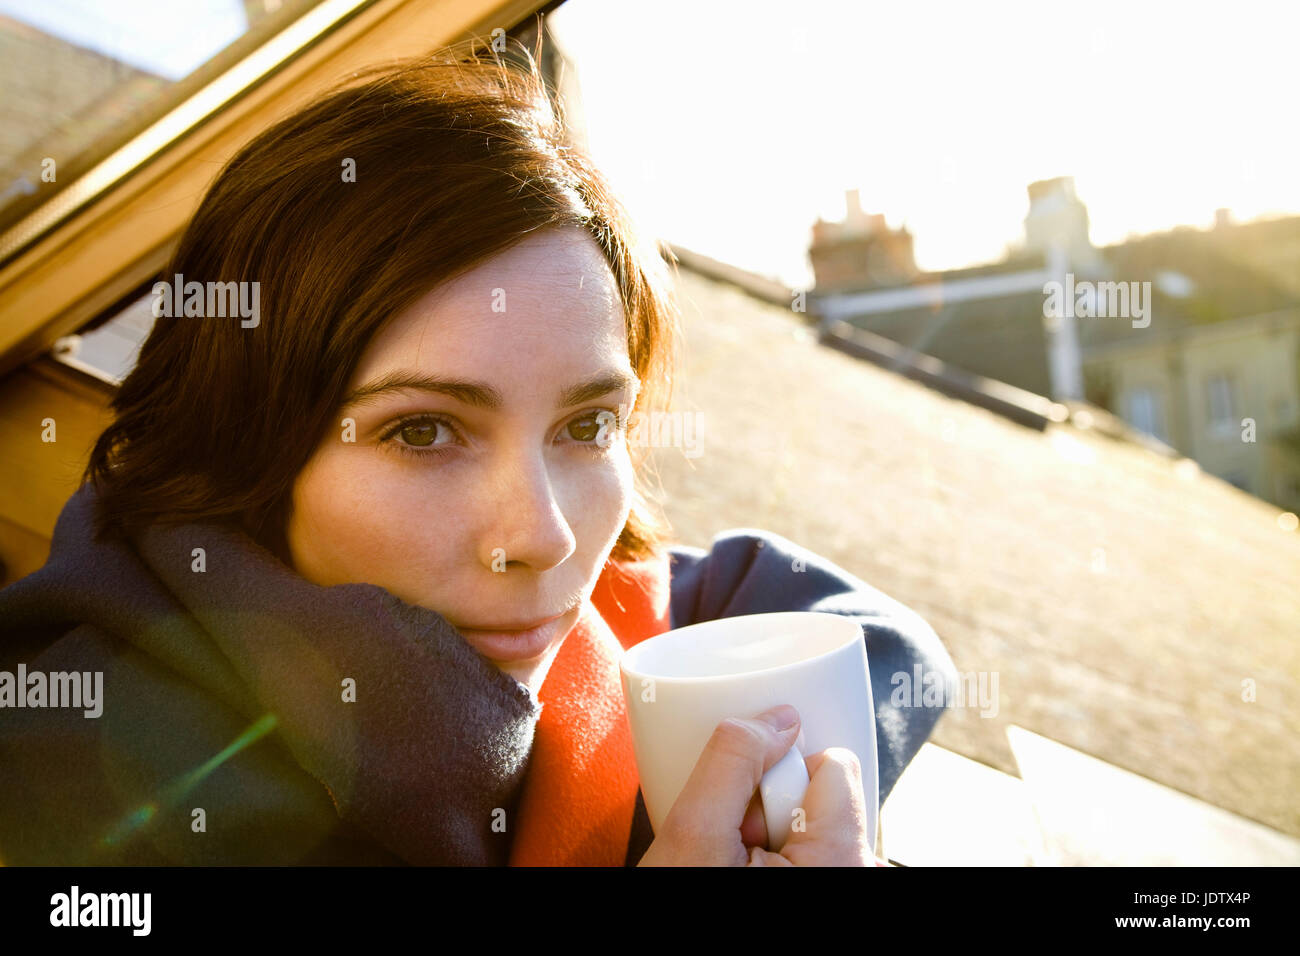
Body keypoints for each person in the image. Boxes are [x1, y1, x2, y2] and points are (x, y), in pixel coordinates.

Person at [0, 39, 958, 866]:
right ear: (248, 437)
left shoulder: (618, 623)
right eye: (422, 432)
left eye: (586, 427)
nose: (541, 537)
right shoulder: (82, 779)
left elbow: (859, 634)